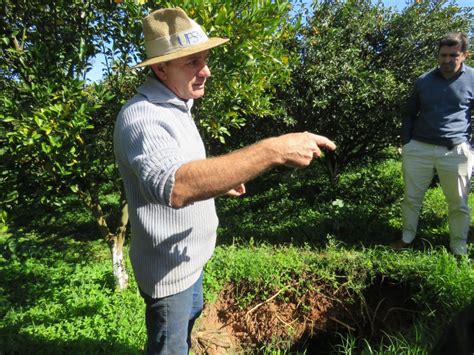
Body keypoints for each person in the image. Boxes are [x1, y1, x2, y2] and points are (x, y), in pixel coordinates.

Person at [113, 7, 336, 354]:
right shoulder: (143, 117)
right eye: (193, 63)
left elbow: (187, 168)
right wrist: (273, 150)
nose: (206, 71)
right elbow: (176, 185)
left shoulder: (178, 104)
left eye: (204, 59)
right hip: (169, 272)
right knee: (169, 346)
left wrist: (220, 182)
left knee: (187, 328)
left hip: (192, 259)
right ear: (160, 68)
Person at [392, 32, 474, 258]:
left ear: (464, 55)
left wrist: (470, 147)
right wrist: (406, 142)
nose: (447, 60)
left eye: (453, 55)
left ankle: (458, 248)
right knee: (411, 198)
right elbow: (409, 113)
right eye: (442, 55)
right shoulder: (424, 80)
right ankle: (407, 238)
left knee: (458, 203)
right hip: (419, 148)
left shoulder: (473, 79)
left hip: (456, 151)